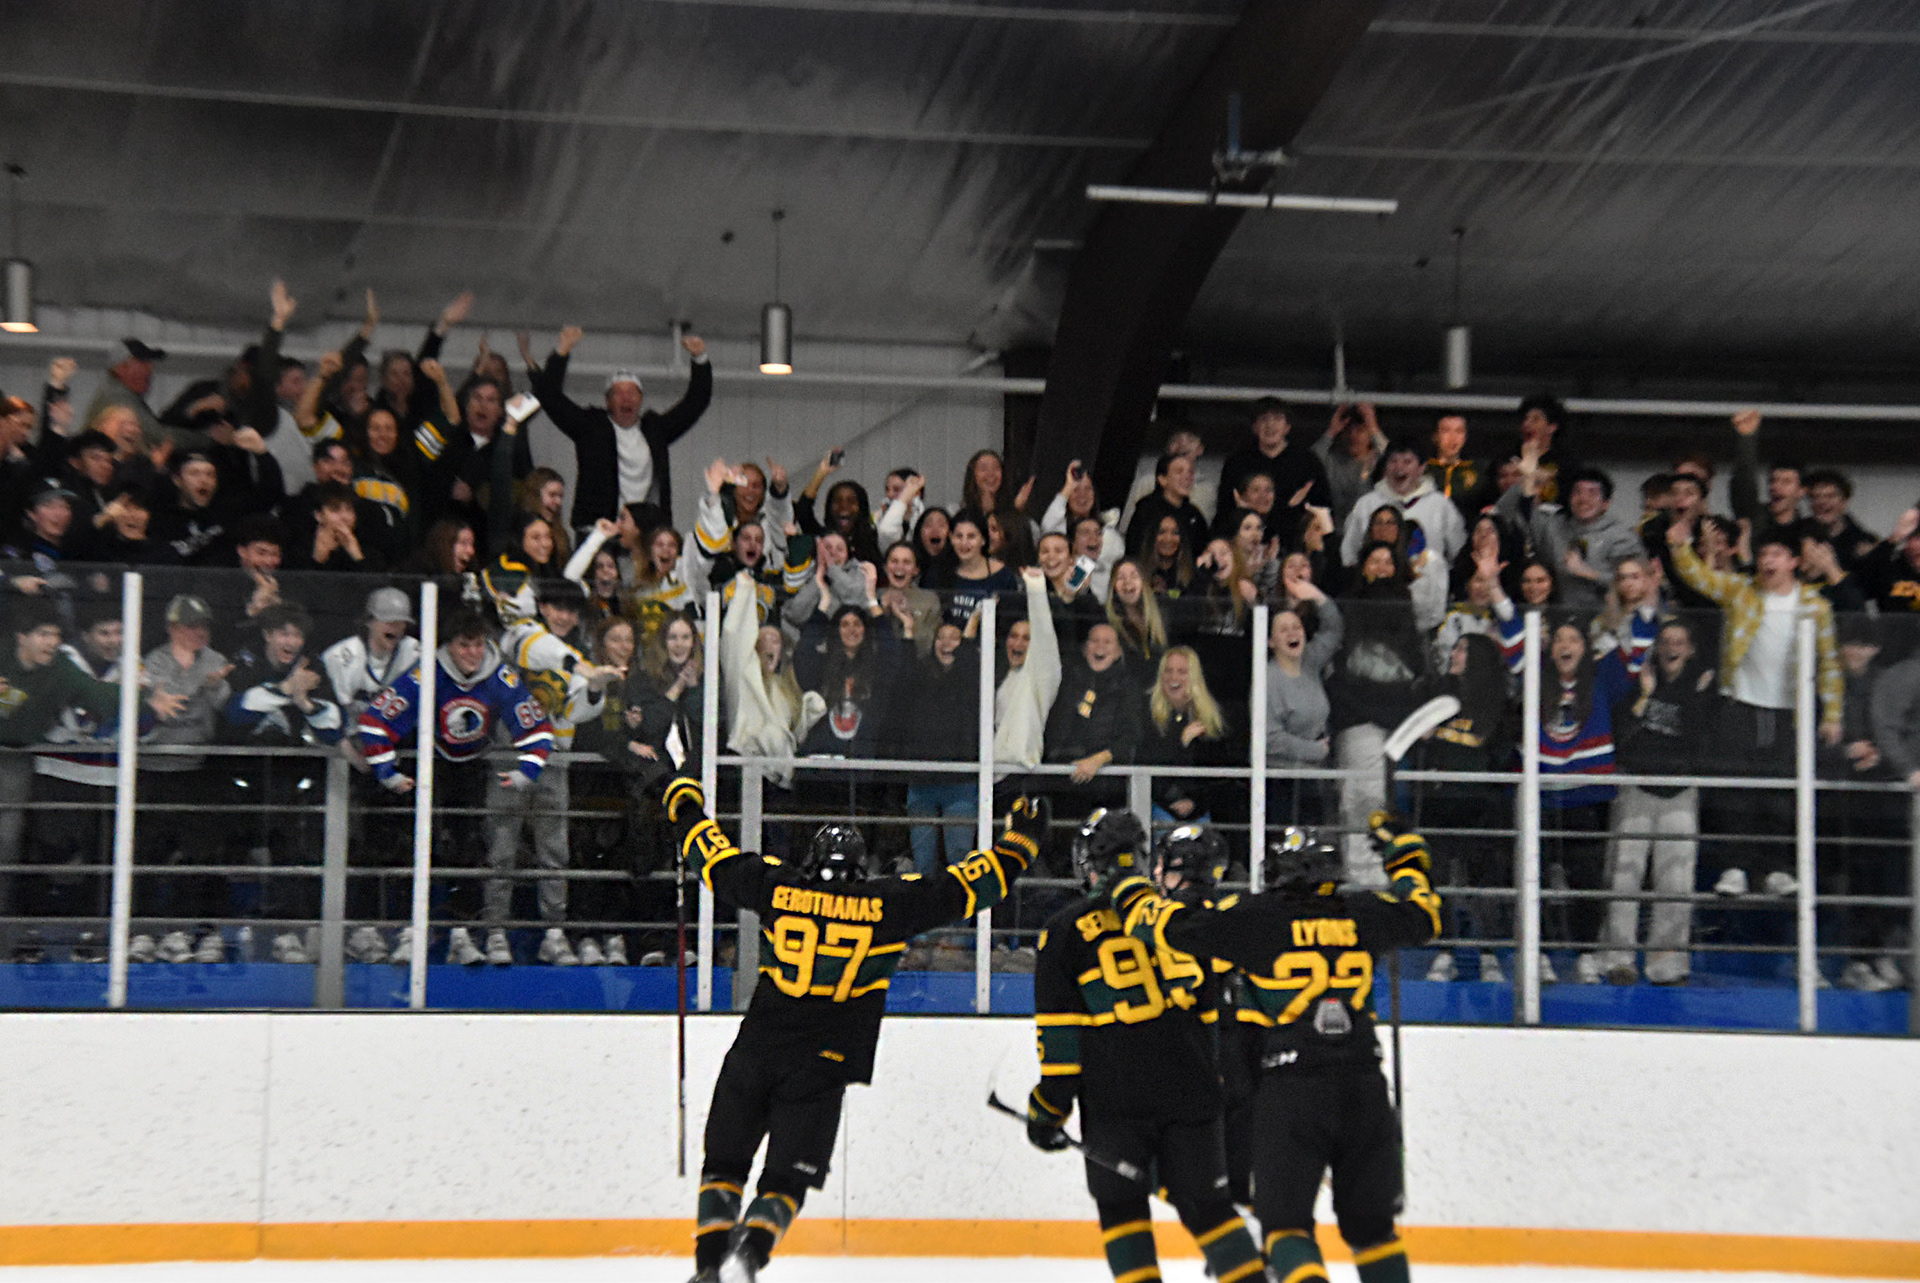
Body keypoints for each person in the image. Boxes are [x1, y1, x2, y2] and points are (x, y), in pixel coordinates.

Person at [660, 774, 1044, 1283]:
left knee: (724, 1167)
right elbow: (968, 887)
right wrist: (1020, 842)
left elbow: (714, 858)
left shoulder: (777, 887)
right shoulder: (890, 903)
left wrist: (683, 803)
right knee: (785, 1181)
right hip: (824, 1063)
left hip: (756, 1051)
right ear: (860, 869)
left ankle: (708, 1267)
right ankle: (747, 1260)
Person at [1114, 821, 1441, 1283]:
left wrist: (1126, 888)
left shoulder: (1257, 917)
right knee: (1374, 1232)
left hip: (1292, 1083)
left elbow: (1171, 927)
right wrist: (1406, 859)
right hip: (1365, 1081)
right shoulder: (1366, 911)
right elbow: (1426, 913)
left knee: (1285, 1228)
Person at [1024, 809, 1266, 1283]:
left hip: (1116, 1102)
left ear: (1087, 863)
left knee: (1122, 1211)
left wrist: (1047, 1111)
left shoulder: (1064, 931)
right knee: (1211, 1212)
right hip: (1194, 1094)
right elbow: (1212, 1020)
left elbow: (1061, 1050)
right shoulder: (1177, 918)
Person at [355, 608, 555, 965]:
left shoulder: (499, 674)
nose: (473, 653)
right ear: (449, 645)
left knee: (470, 849)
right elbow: (373, 720)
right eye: (464, 645)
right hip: (426, 766)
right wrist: (386, 770)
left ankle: (462, 934)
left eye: (478, 645)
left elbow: (538, 727)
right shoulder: (427, 673)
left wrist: (528, 769)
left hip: (473, 768)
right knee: (415, 845)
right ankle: (410, 932)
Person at [1665, 520, 1842, 898]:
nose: (1767, 561)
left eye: (1776, 554)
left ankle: (1776, 868)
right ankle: (1734, 867)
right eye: (1762, 554)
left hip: (1788, 711)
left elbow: (1829, 663)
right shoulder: (1741, 591)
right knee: (1736, 790)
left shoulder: (1815, 606)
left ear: (1793, 561)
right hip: (1740, 703)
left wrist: (1831, 715)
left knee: (1779, 793)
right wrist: (1680, 547)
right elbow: (1701, 578)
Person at [493, 579, 626, 966]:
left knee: (554, 852)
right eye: (557, 608)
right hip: (510, 754)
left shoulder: (575, 657)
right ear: (542, 608)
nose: (564, 616)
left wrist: (595, 688)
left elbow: (575, 711)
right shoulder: (521, 634)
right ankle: (495, 930)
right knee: (501, 846)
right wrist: (583, 668)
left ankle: (554, 932)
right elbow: (542, 651)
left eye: (571, 610)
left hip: (554, 760)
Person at [1596, 619, 1714, 986]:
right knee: (1624, 875)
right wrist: (1645, 694)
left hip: (1680, 790)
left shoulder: (1703, 687)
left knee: (1676, 879)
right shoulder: (1639, 682)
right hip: (1636, 786)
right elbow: (1621, 729)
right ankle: (1618, 959)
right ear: (1657, 648)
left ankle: (1668, 964)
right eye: (1666, 641)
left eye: (1679, 641)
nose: (1672, 647)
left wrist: (1697, 695)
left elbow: (1700, 737)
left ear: (1690, 650)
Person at [530, 326, 712, 532]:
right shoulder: (590, 428)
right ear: (607, 401)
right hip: (597, 529)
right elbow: (550, 398)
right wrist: (561, 353)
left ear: (641, 400)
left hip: (645, 533)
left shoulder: (655, 431)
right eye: (618, 393)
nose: (627, 398)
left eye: (633, 393)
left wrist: (700, 359)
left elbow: (695, 403)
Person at [1342, 440, 1466, 633]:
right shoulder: (1367, 504)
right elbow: (1349, 554)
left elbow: (1458, 554)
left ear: (1422, 468)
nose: (1399, 468)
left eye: (1407, 462)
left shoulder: (1440, 505)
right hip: (1371, 607)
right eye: (1393, 461)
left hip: (1427, 611)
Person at [1495, 464, 1643, 613]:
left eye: (1592, 493)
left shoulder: (1622, 537)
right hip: (1557, 616)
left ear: (1605, 504)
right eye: (1577, 492)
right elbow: (1503, 512)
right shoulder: (1552, 527)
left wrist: (1588, 573)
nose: (1583, 499)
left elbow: (1637, 584)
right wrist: (1527, 480)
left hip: (1607, 617)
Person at [1266, 566, 1344, 826]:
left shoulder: (1310, 661)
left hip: (1312, 777)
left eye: (1296, 627)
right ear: (1271, 641)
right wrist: (1316, 750)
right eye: (1284, 630)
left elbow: (1334, 630)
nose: (1292, 633)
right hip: (1281, 780)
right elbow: (1270, 738)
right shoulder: (1269, 678)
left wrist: (1316, 597)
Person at [1043, 623, 1141, 804]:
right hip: (1058, 780)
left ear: (1118, 652)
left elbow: (1130, 737)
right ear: (1085, 648)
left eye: (1107, 642)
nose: (1100, 646)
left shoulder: (1128, 687)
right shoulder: (1065, 681)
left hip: (1105, 785)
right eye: (1094, 641)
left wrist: (1097, 761)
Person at [1139, 647, 1235, 826]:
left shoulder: (1209, 718)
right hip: (1160, 808)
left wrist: (1195, 802)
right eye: (1168, 671)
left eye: (1182, 672)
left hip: (1200, 811)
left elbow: (1220, 775)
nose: (1173, 677)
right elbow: (1148, 764)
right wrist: (1182, 742)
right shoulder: (1147, 713)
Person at [1217, 398, 1330, 515]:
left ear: (1287, 427)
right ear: (1254, 427)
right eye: (1263, 419)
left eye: (1277, 419)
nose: (1270, 425)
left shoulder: (1308, 462)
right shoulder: (1236, 462)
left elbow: (1323, 508)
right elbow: (1224, 510)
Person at [1311, 401, 1386, 533]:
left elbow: (1396, 459)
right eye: (1348, 430)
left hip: (1370, 533)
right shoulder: (1332, 460)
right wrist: (1330, 432)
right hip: (1336, 533)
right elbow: (1309, 461)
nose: (1353, 436)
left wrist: (1373, 428)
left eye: (1360, 430)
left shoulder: (1378, 460)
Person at [1124, 452, 1209, 561]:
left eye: (1190, 472)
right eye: (1179, 471)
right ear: (1162, 479)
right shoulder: (1146, 509)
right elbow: (1134, 550)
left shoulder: (1194, 515)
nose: (1187, 477)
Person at [1424, 412, 1492, 523]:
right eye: (1446, 431)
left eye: (1459, 431)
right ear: (1435, 436)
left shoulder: (1478, 471)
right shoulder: (1423, 469)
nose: (1453, 438)